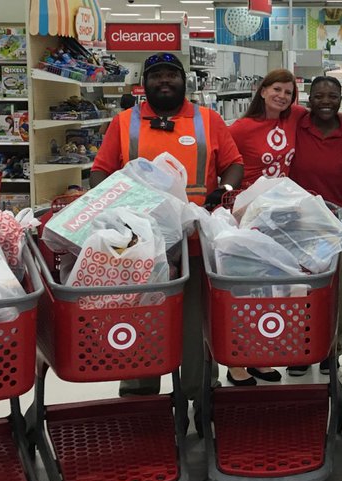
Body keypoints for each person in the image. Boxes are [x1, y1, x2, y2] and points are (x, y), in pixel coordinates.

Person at [90, 52, 245, 402]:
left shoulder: (208, 119)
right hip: (139, 245)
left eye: (171, 75)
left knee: (194, 323)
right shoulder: (124, 123)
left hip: (194, 241)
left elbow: (234, 163)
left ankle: (199, 391)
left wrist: (226, 190)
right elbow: (100, 168)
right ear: (143, 83)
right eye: (156, 75)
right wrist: (109, 201)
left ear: (183, 81)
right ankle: (139, 395)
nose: (164, 81)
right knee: (141, 315)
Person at [226, 69, 342, 384]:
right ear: (262, 90)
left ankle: (262, 354)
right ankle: (236, 362)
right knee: (248, 290)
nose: (282, 96)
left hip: (287, 218)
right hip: (251, 216)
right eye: (276, 90)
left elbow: (327, 109)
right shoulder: (241, 128)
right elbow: (226, 161)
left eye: (288, 92)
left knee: (276, 291)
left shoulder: (295, 117)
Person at [288, 76, 342, 377]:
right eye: (319, 96)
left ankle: (331, 349)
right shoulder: (296, 124)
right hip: (297, 224)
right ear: (309, 98)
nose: (326, 101)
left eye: (332, 96)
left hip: (339, 224)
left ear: (341, 99)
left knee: (333, 290)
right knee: (300, 291)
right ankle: (302, 348)